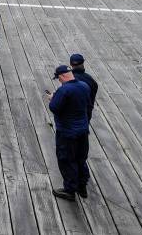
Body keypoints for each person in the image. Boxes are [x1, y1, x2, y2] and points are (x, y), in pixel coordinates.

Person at [48, 64, 92, 200]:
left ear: (62, 76)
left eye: (58, 78)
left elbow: (54, 108)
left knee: (66, 159)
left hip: (67, 132)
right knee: (80, 158)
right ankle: (82, 186)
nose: (59, 81)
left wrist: (53, 98)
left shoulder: (64, 90)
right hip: (83, 131)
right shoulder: (85, 86)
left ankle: (70, 190)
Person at [69, 53, 98, 121]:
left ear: (71, 64)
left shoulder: (68, 79)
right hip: (85, 115)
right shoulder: (91, 81)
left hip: (70, 116)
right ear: (83, 63)